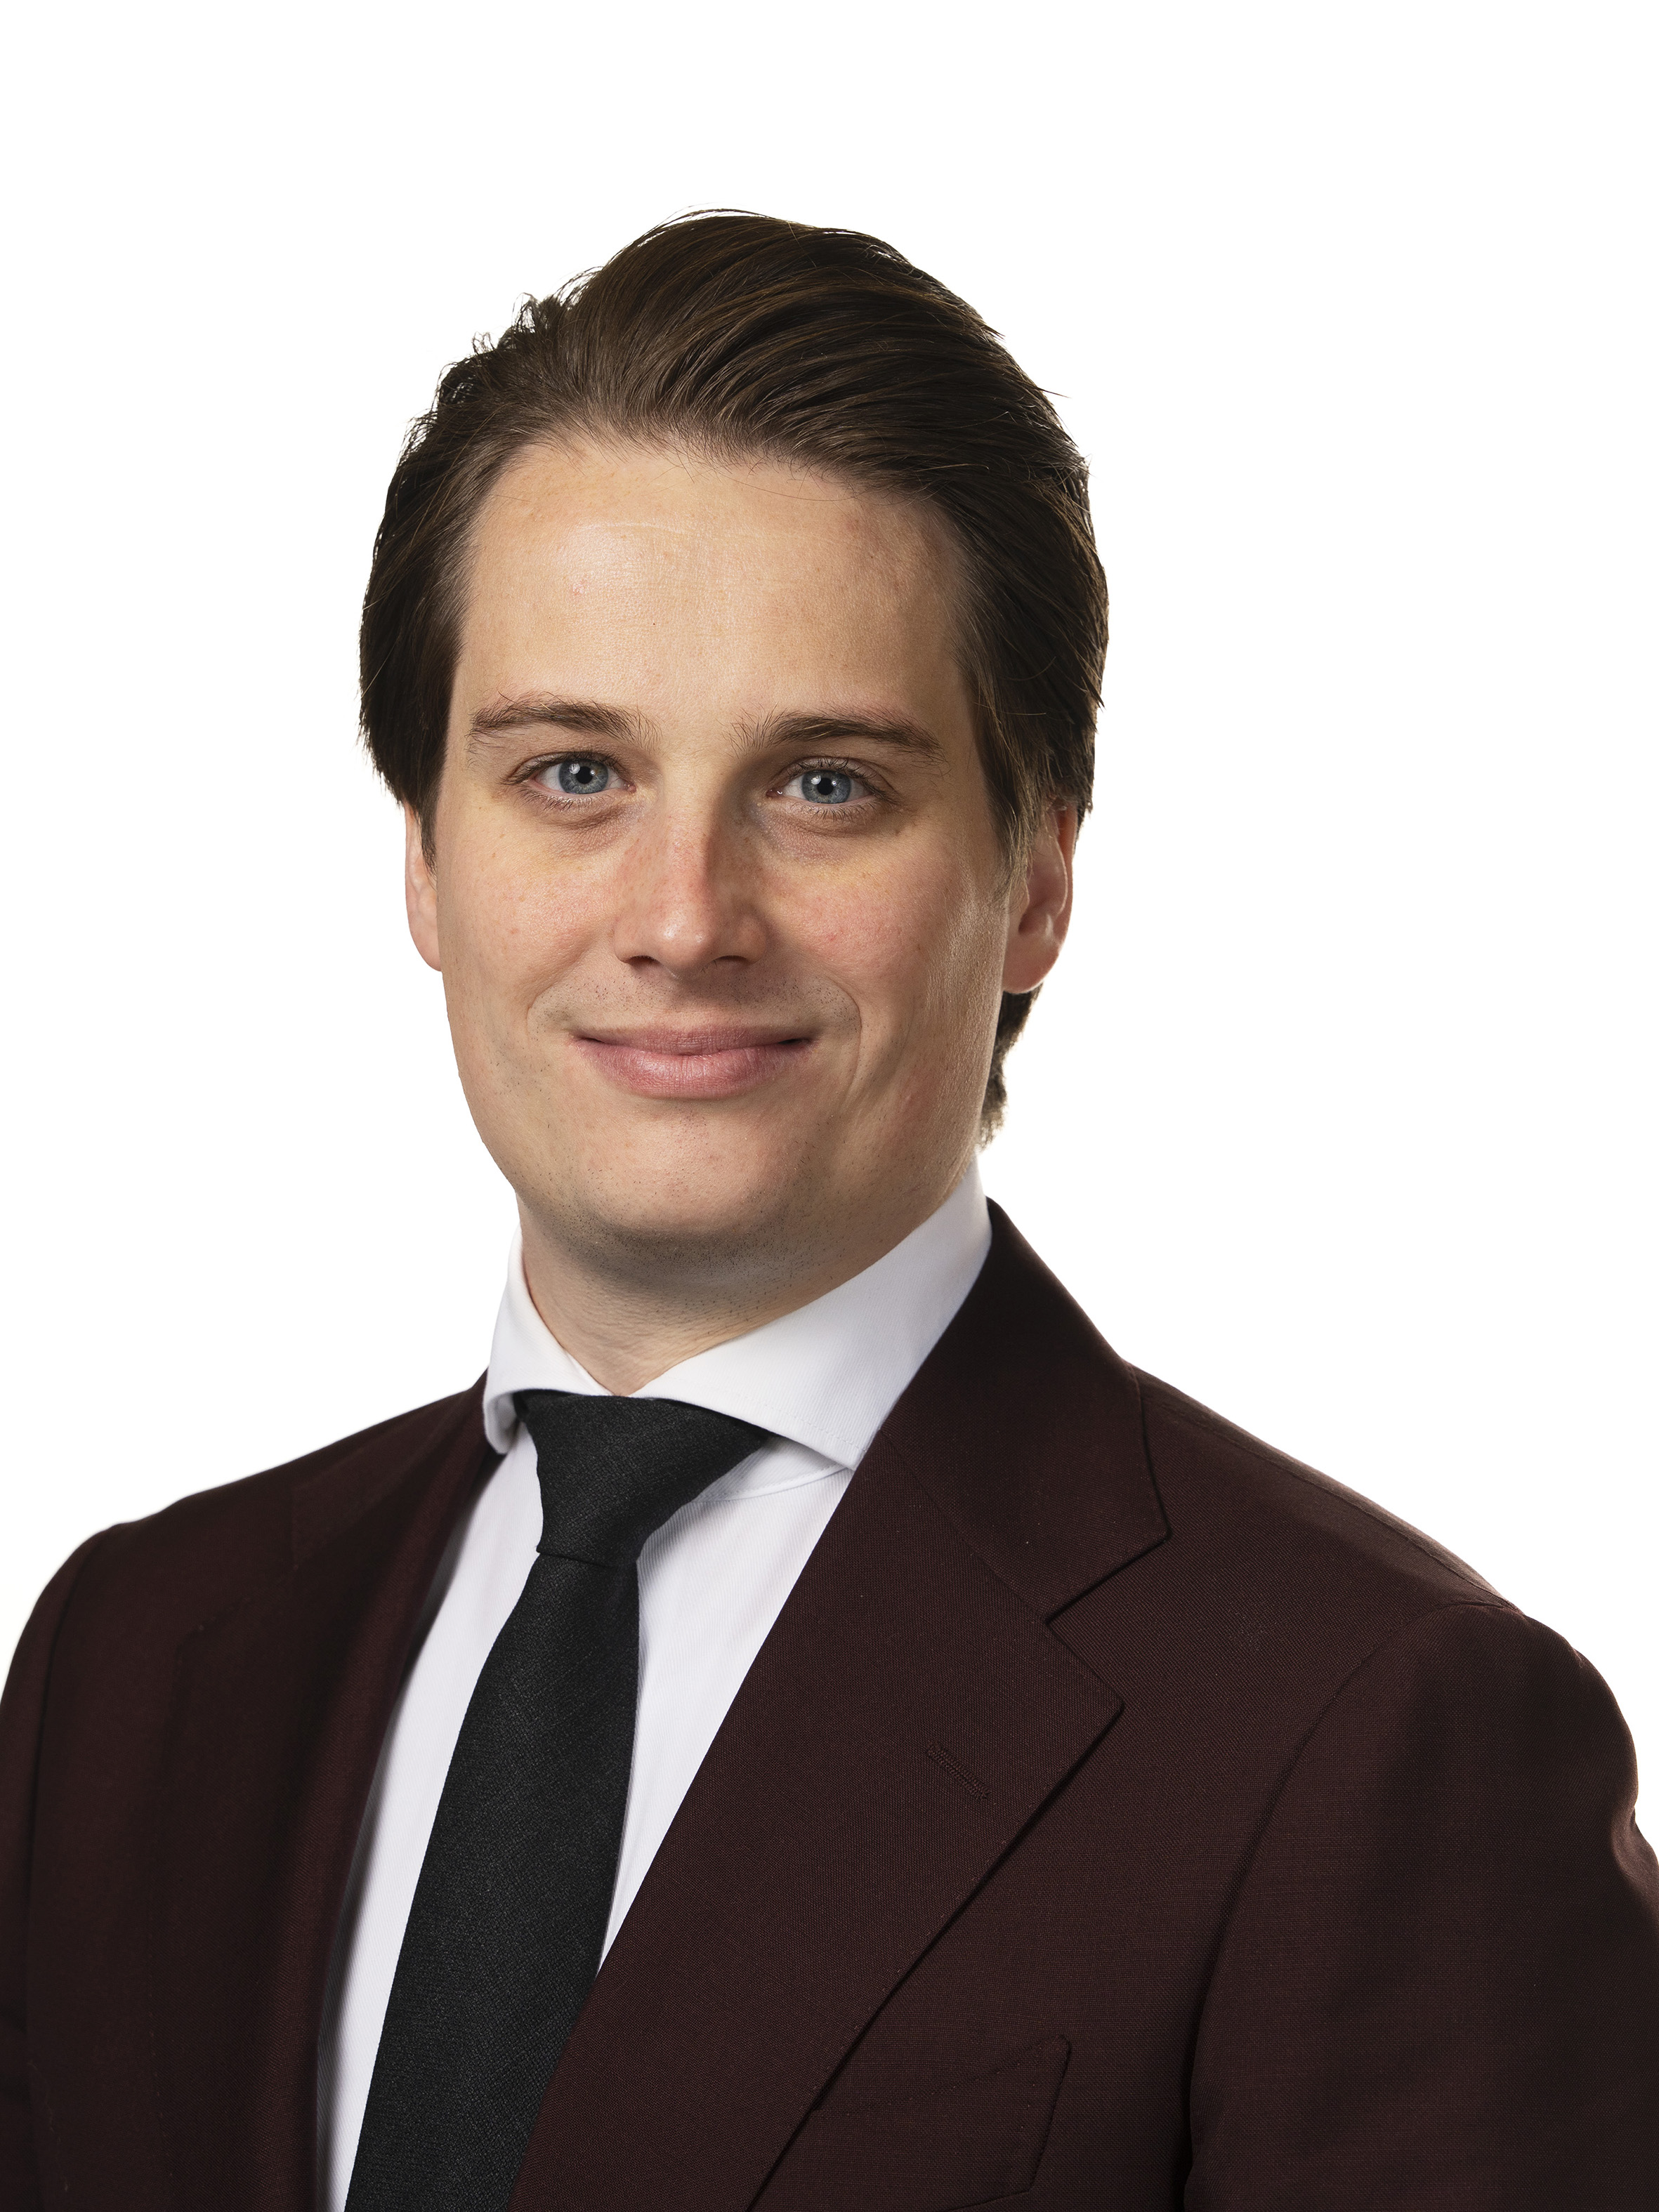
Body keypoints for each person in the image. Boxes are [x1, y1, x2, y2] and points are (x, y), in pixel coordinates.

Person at [2, 213, 1654, 2212]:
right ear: (425, 860)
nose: (684, 917)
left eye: (827, 786)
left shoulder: (1376, 1729)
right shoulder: (132, 1662)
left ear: (1035, 881)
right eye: (575, 773)